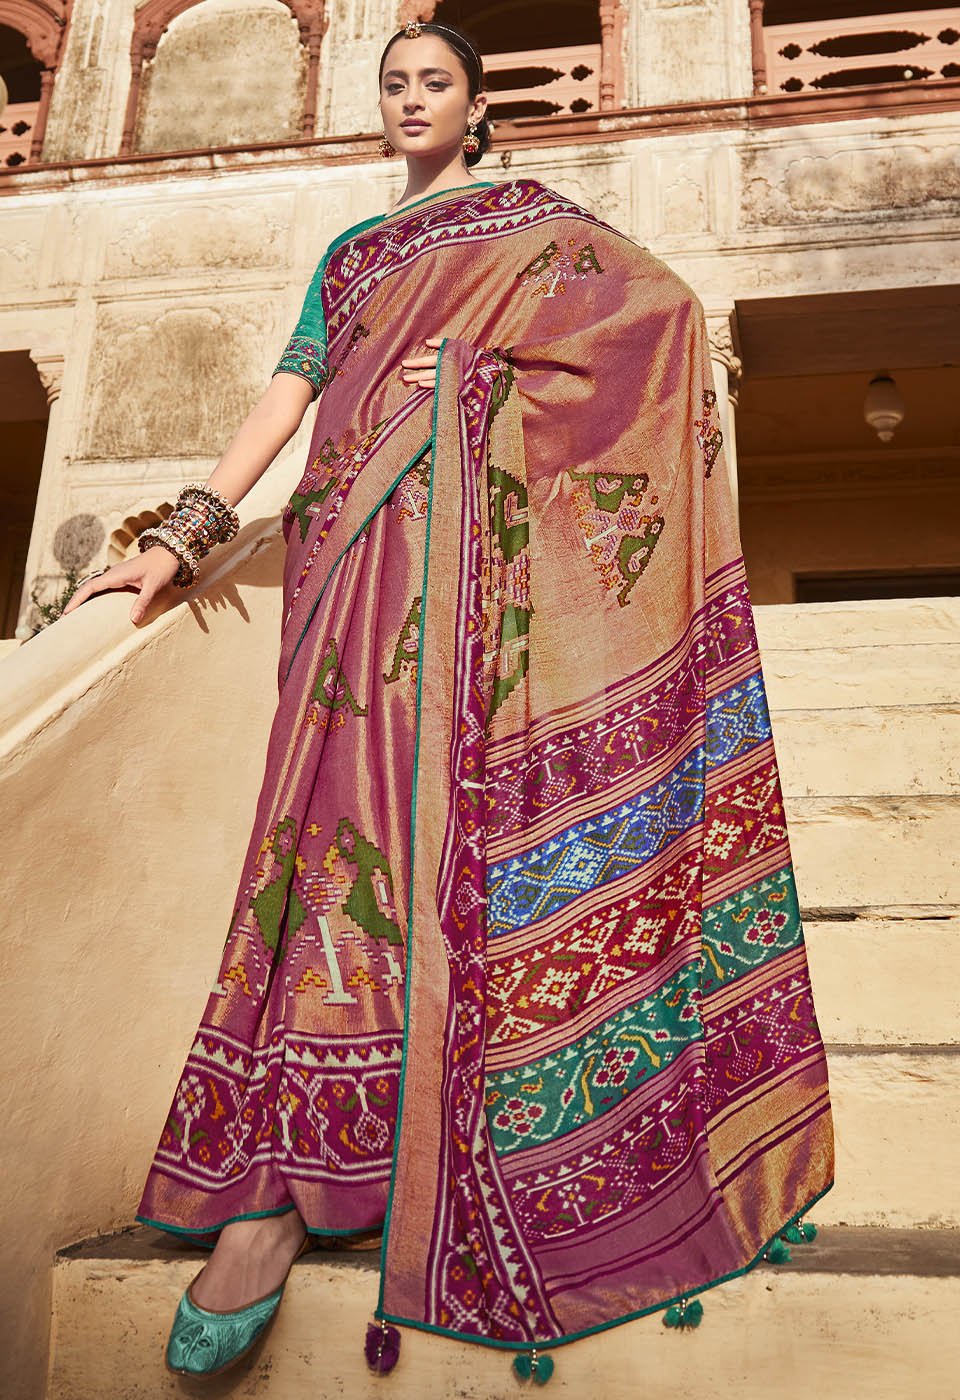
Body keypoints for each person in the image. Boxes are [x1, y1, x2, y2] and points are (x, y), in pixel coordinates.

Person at [64, 19, 835, 1383]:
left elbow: (656, 322)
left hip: (460, 580)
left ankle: (308, 1188)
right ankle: (293, 1158)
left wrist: (474, 387)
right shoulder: (353, 256)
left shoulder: (535, 227)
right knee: (316, 843)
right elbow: (290, 392)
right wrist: (185, 534)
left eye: (436, 84)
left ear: (477, 109)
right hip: (338, 571)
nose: (412, 99)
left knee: (413, 844)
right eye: (395, 83)